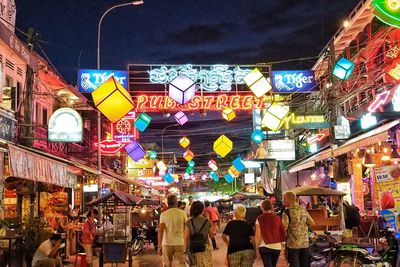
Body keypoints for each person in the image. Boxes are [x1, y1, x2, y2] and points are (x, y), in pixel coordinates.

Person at [282, 191, 315, 267]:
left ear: (289, 199)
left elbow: (284, 228)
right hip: (304, 243)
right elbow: (312, 223)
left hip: (293, 245)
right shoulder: (303, 210)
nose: (283, 201)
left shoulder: (287, 212)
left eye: (284, 199)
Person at [158, 195, 187, 267]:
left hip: (167, 243)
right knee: (180, 264)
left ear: (168, 203)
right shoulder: (182, 213)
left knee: (167, 264)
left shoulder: (163, 214)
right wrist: (187, 242)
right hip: (179, 242)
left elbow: (160, 230)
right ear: (176, 203)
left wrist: (159, 246)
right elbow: (186, 228)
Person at [255, 199, 286, 267]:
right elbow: (282, 232)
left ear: (262, 207)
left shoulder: (259, 218)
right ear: (271, 207)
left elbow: (258, 235)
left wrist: (256, 248)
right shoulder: (278, 218)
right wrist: (282, 246)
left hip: (264, 246)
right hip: (277, 247)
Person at [184, 201, 213, 267]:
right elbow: (211, 236)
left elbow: (185, 238)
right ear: (202, 209)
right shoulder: (207, 221)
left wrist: (184, 252)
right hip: (205, 248)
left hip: (192, 249)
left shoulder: (188, 222)